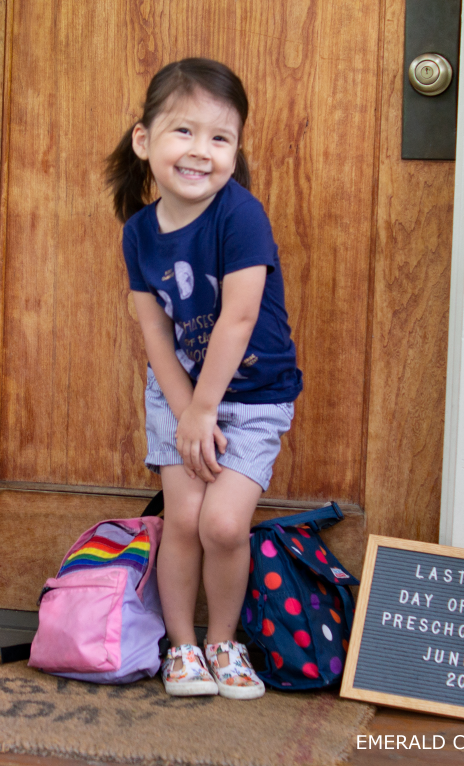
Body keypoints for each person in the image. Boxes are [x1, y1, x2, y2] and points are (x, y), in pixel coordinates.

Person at [107, 58, 303, 699]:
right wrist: (186, 408)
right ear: (145, 141)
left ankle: (223, 639)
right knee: (185, 522)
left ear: (237, 150)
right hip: (179, 394)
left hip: (250, 395)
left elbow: (240, 316)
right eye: (184, 132)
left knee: (223, 525)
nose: (201, 152)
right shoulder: (139, 232)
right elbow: (155, 333)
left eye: (220, 138)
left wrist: (207, 409)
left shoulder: (239, 215)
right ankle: (181, 648)